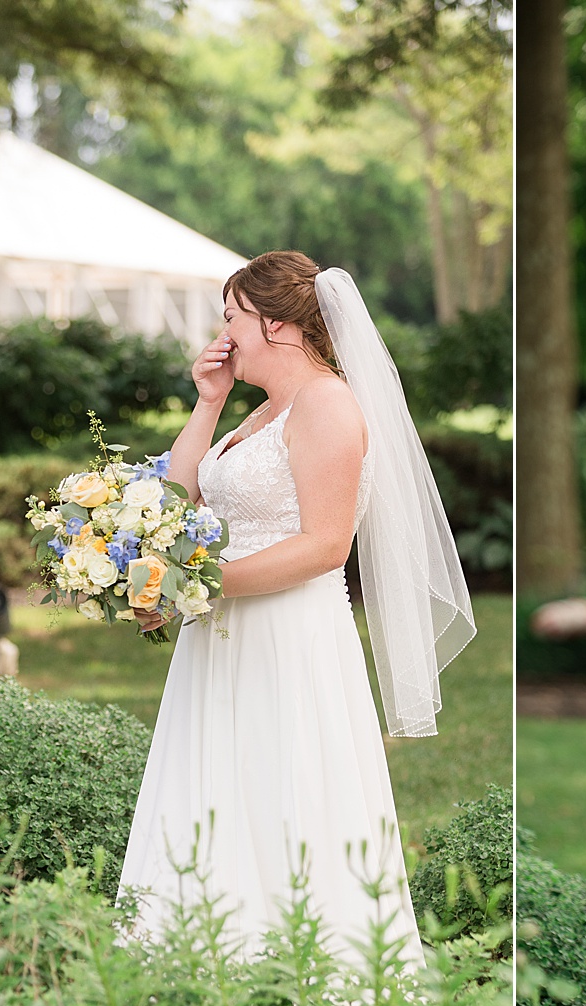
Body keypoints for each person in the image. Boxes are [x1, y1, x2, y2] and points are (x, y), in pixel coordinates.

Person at [117, 251, 474, 961]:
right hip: (218, 642)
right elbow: (179, 499)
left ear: (274, 323)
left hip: (288, 639)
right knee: (211, 799)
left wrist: (202, 584)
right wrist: (208, 399)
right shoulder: (259, 414)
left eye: (232, 317)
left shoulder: (328, 404)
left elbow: (324, 544)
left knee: (283, 801)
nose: (223, 333)